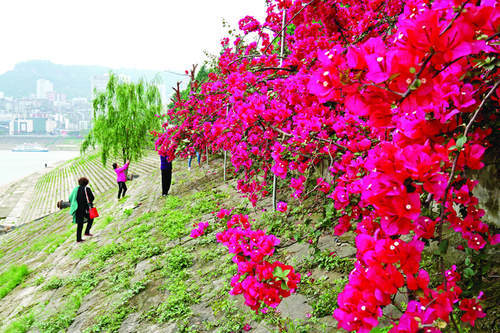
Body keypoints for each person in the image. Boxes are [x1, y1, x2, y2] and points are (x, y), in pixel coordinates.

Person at [69, 177, 95, 243]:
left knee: (80, 224)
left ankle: (78, 239)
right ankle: (87, 232)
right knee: (91, 218)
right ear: (86, 183)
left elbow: (70, 198)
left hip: (77, 208)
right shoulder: (87, 189)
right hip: (86, 208)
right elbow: (92, 198)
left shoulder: (75, 189)